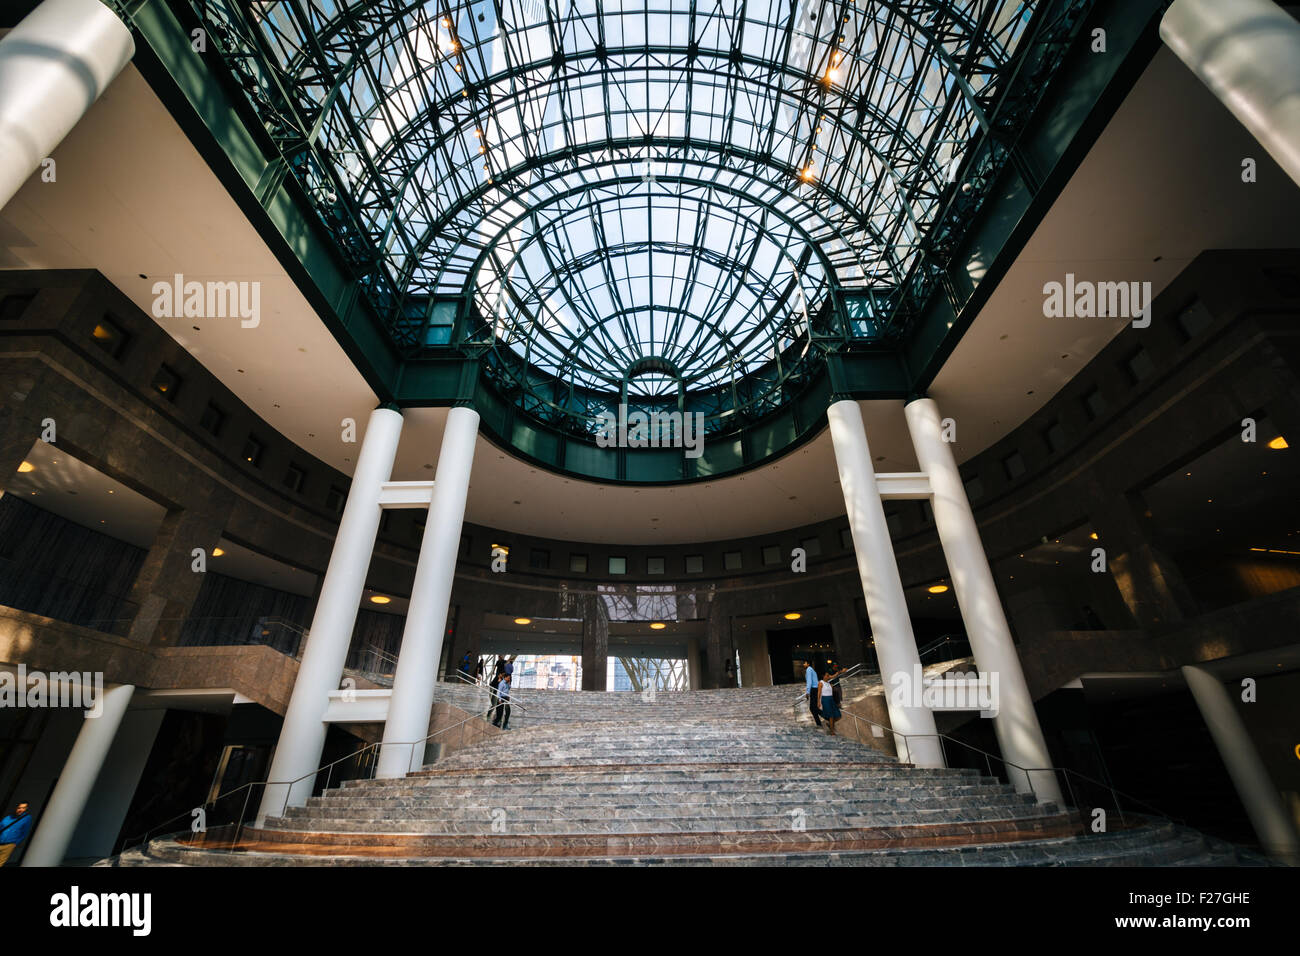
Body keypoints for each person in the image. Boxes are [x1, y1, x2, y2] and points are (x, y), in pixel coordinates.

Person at [819, 671, 841, 736]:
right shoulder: (821, 683)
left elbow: (834, 675)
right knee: (831, 716)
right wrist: (818, 702)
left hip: (831, 700)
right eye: (827, 675)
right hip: (825, 700)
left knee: (838, 716)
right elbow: (819, 693)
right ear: (823, 676)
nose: (828, 676)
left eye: (829, 675)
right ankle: (832, 731)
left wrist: (840, 672)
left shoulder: (828, 683)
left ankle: (830, 724)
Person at [804, 660, 822, 727]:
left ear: (808, 664)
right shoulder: (812, 670)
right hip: (815, 689)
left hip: (813, 689)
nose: (803, 664)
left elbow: (809, 682)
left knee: (813, 708)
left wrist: (807, 692)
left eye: (805, 663)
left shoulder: (809, 669)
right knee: (813, 708)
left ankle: (828, 718)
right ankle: (819, 723)